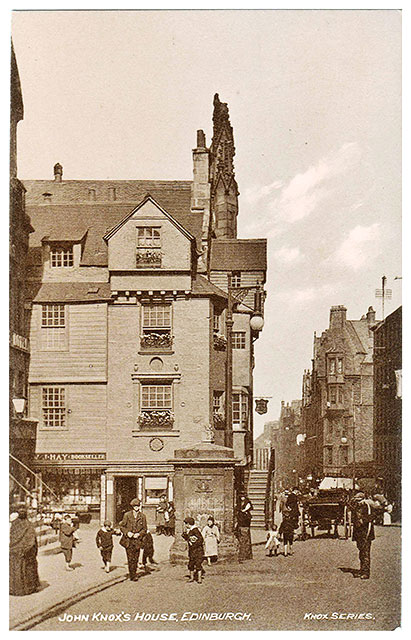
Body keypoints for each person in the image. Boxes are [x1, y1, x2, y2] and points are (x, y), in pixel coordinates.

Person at [351, 491, 382, 580]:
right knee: (361, 551)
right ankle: (362, 569)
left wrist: (364, 520)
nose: (358, 502)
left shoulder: (368, 507)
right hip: (359, 533)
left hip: (365, 532)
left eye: (359, 500)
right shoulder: (357, 506)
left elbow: (374, 515)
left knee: (365, 552)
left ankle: (366, 572)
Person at [10, 508, 40, 595]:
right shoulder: (29, 525)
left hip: (14, 551)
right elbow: (32, 541)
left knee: (15, 570)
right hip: (25, 552)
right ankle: (28, 589)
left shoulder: (14, 524)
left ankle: (14, 589)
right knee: (26, 570)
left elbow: (12, 538)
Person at [119, 498, 147, 581]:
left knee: (136, 557)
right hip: (129, 540)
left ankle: (134, 572)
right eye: (135, 506)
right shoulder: (127, 515)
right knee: (130, 558)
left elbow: (144, 529)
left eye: (138, 506)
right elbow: (122, 526)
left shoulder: (142, 516)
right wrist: (127, 533)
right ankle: (132, 575)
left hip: (138, 540)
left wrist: (139, 534)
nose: (136, 508)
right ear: (132, 507)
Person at [182, 516, 204, 583]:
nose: (185, 526)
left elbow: (200, 539)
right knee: (191, 564)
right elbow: (189, 539)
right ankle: (191, 578)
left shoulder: (195, 530)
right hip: (192, 551)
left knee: (198, 564)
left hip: (198, 550)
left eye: (186, 524)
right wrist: (185, 536)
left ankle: (199, 578)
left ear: (189, 524)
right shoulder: (190, 530)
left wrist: (194, 545)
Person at [237, 494, 253, 562]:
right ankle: (243, 554)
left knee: (246, 539)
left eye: (243, 497)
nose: (242, 498)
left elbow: (249, 508)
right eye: (241, 497)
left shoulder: (247, 502)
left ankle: (247, 554)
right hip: (241, 520)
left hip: (245, 521)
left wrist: (244, 510)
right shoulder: (239, 503)